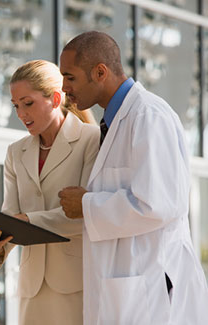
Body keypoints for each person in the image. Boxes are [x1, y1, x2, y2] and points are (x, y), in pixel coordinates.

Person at [58, 31, 208, 325]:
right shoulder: (113, 122)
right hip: (129, 286)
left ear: (100, 72)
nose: (64, 88)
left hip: (152, 288)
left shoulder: (149, 117)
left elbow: (157, 205)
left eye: (70, 77)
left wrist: (86, 205)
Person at [0, 60, 100, 325]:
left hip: (77, 283)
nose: (21, 113)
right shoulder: (16, 152)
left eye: (27, 103)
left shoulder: (92, 140)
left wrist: (28, 221)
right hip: (31, 287)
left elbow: (88, 213)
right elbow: (10, 214)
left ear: (54, 98)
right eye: (16, 105)